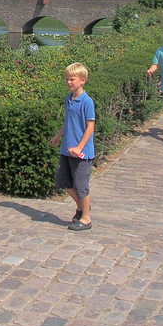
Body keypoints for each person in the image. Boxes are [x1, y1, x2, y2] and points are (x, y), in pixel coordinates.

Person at [49, 62, 96, 231]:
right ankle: (81, 206)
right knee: (63, 181)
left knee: (81, 185)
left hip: (81, 153)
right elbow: (67, 121)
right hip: (66, 149)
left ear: (82, 80)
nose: (69, 82)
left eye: (72, 79)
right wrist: (57, 137)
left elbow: (90, 126)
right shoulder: (68, 99)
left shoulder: (87, 101)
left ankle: (86, 218)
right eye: (67, 79)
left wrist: (80, 147)